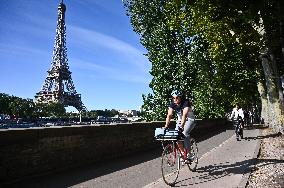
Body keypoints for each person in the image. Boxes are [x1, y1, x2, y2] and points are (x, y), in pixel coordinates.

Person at [164, 90, 196, 163]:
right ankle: (182, 153)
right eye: (173, 98)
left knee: (184, 133)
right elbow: (169, 115)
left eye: (177, 98)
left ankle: (189, 154)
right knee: (176, 136)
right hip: (180, 120)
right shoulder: (173, 104)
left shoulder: (186, 102)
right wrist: (166, 126)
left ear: (180, 97)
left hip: (190, 119)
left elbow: (185, 115)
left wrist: (182, 126)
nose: (175, 99)